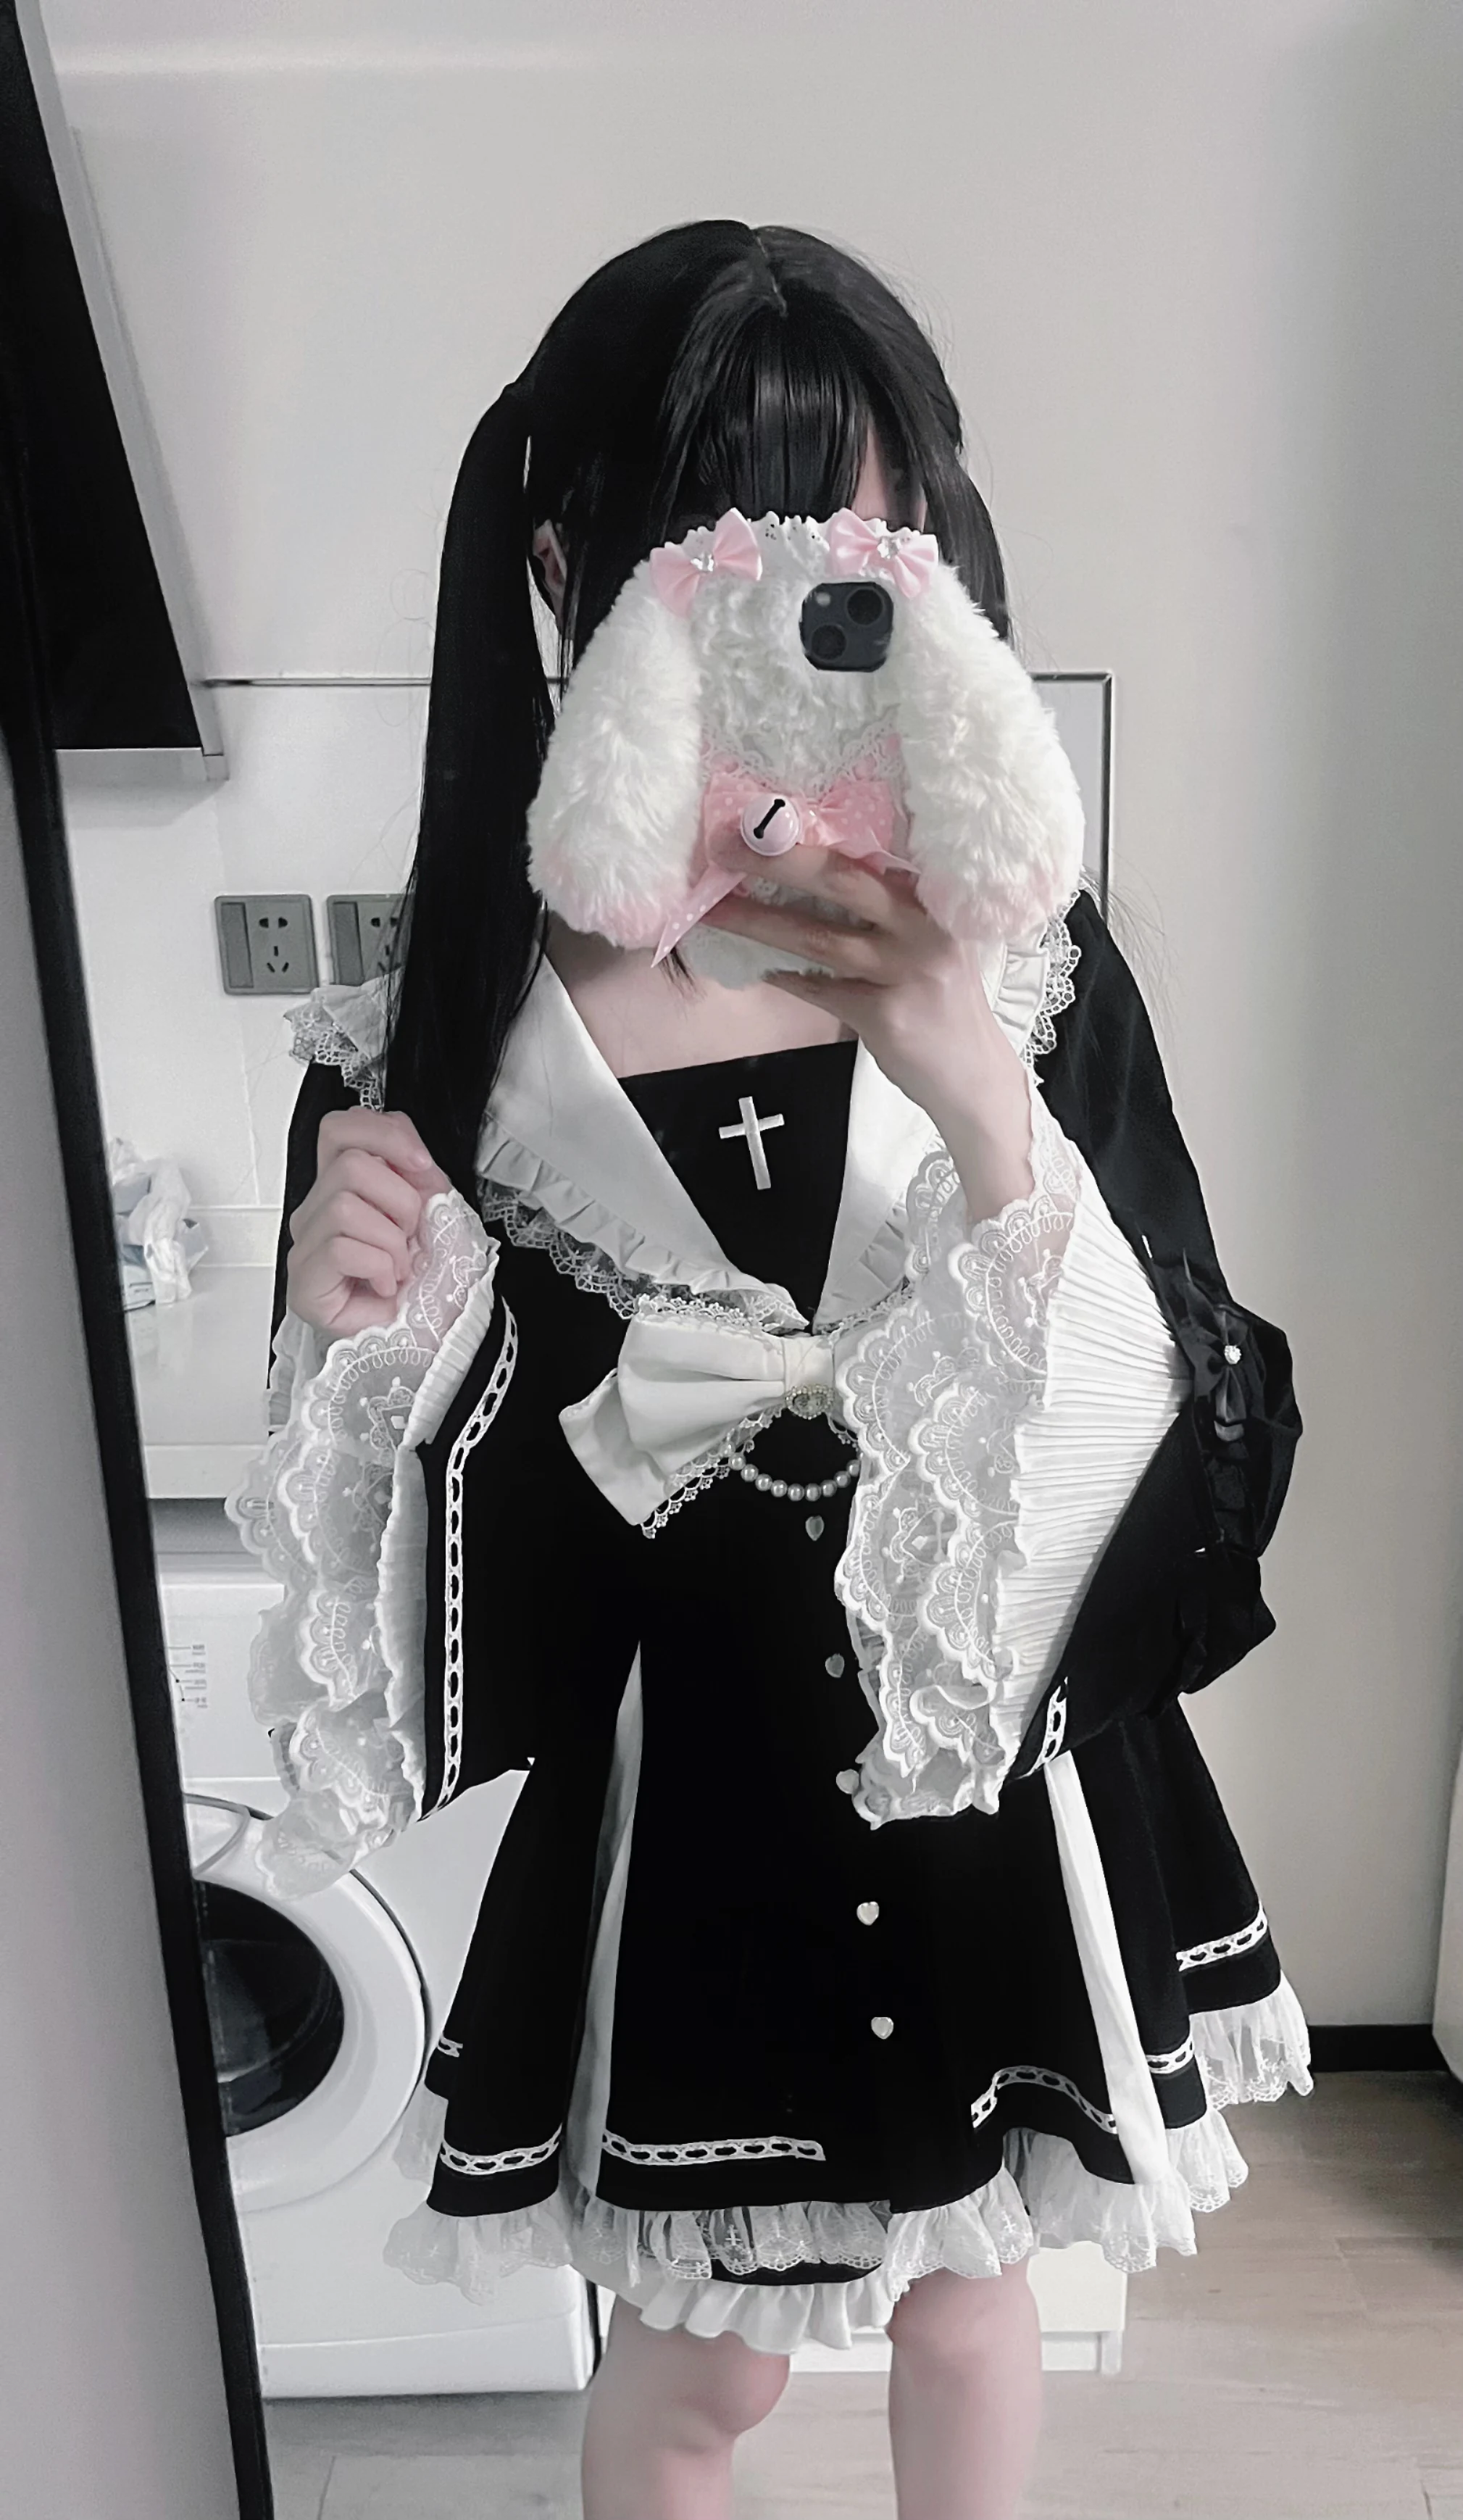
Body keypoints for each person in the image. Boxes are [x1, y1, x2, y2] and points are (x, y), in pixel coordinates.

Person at [230, 221, 1309, 2520]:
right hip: (691, 1766)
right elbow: (424, 1542)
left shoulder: (1023, 956)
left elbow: (1180, 1400)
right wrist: (359, 1312)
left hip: (986, 1753)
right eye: (716, 555)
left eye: (864, 549)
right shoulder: (449, 1020)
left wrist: (969, 1067)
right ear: (567, 569)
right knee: (700, 2357)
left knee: (976, 2297)